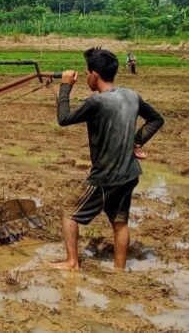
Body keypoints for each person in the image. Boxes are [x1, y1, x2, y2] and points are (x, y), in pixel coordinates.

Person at [51, 47, 164, 271]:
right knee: (119, 222)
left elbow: (63, 119)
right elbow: (156, 120)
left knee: (69, 210)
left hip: (106, 176)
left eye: (85, 73)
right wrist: (136, 141)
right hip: (130, 173)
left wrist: (65, 86)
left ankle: (72, 262)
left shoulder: (97, 102)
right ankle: (119, 270)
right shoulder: (132, 95)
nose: (85, 78)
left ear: (94, 74)